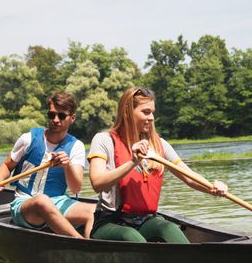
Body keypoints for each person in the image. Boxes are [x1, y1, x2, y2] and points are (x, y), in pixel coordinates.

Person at [87, 87, 228, 243]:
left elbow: (189, 177)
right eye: (146, 112)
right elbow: (97, 183)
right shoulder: (104, 140)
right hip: (110, 221)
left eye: (152, 112)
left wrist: (212, 187)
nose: (152, 117)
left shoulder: (159, 144)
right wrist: (133, 161)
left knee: (170, 229)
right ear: (128, 112)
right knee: (132, 238)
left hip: (145, 220)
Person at [0, 92, 95, 238]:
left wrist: (67, 166)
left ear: (72, 118)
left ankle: (92, 249)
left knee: (95, 211)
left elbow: (76, 188)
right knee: (42, 201)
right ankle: (80, 243)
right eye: (52, 115)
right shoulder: (28, 139)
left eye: (61, 116)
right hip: (25, 204)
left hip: (58, 202)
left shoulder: (76, 146)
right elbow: (7, 166)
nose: (55, 120)